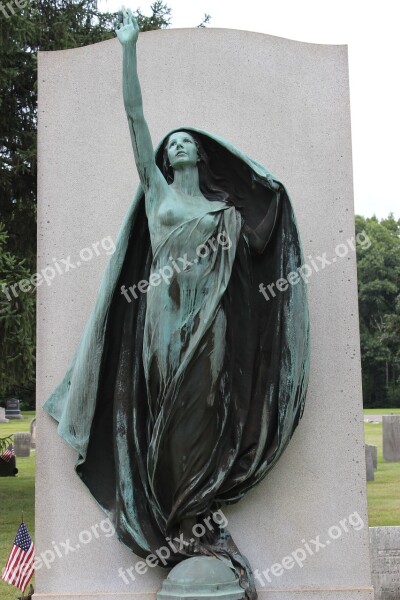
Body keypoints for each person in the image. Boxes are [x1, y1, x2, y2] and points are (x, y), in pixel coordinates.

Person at [44, 9, 310, 599]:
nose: (180, 142)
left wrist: (275, 194)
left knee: (208, 414)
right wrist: (128, 51)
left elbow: (264, 244)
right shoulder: (159, 197)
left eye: (188, 140)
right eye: (175, 142)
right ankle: (178, 526)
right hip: (160, 325)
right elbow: (137, 119)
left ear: (201, 158)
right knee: (161, 424)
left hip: (210, 325)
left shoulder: (224, 214)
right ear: (167, 161)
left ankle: (198, 521)